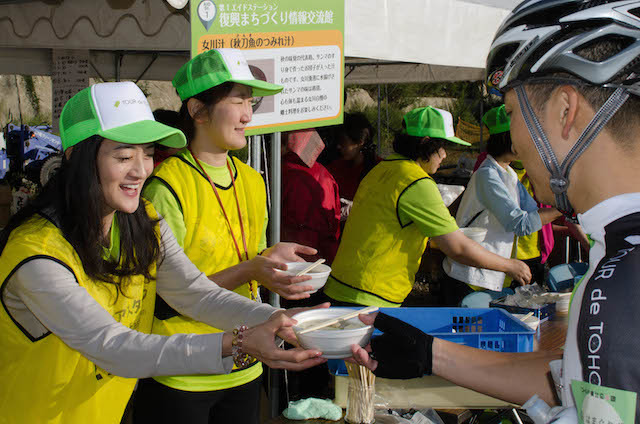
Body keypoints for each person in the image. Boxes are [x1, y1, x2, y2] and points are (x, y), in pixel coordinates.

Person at [352, 1, 640, 421]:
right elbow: (574, 382)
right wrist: (433, 355)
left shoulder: (623, 279)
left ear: (565, 110)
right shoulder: (617, 249)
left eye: (512, 112)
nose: (514, 142)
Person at [0, 81, 326, 424]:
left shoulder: (142, 221)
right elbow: (111, 347)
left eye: (148, 153)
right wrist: (239, 343)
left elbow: (195, 293)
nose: (141, 170)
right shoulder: (36, 254)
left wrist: (281, 322)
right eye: (124, 156)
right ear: (76, 156)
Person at [137, 48, 319, 424]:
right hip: (183, 370)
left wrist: (272, 259)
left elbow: (246, 256)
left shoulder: (252, 180)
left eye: (250, 101)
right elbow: (166, 298)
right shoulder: (166, 188)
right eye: (237, 101)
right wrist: (254, 268)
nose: (248, 115)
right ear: (198, 110)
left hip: (247, 361)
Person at [321, 106, 532, 308]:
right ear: (426, 143)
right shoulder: (416, 182)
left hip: (341, 284)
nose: (444, 155)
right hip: (369, 294)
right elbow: (457, 247)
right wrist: (509, 265)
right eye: (442, 147)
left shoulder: (382, 168)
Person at [442, 105, 561, 306]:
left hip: (486, 278)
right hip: (468, 279)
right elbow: (520, 224)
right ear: (510, 139)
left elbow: (532, 217)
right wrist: (562, 209)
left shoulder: (509, 175)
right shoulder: (487, 175)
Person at [281, 128, 341, 267]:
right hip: (325, 255)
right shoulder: (325, 172)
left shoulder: (280, 172)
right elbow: (335, 216)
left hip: (291, 256)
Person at [326, 113, 380, 223]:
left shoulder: (380, 170)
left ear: (360, 142)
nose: (338, 146)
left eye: (343, 142)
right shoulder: (335, 167)